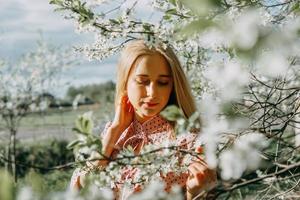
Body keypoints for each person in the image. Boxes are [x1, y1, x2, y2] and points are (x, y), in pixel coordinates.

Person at [70, 40, 217, 199]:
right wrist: (114, 130)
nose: (152, 92)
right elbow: (81, 188)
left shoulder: (189, 141)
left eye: (162, 83)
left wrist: (195, 193)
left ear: (172, 86)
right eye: (142, 81)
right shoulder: (114, 133)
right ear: (125, 82)